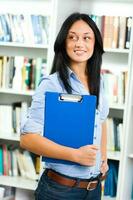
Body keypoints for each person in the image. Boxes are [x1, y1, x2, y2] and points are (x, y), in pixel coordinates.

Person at [20, 12, 109, 200]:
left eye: (87, 38)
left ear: (95, 44)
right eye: (72, 37)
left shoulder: (100, 81)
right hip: (60, 190)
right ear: (63, 42)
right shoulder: (51, 84)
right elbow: (27, 139)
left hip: (93, 189)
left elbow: (101, 120)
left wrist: (104, 157)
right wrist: (75, 155)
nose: (79, 43)